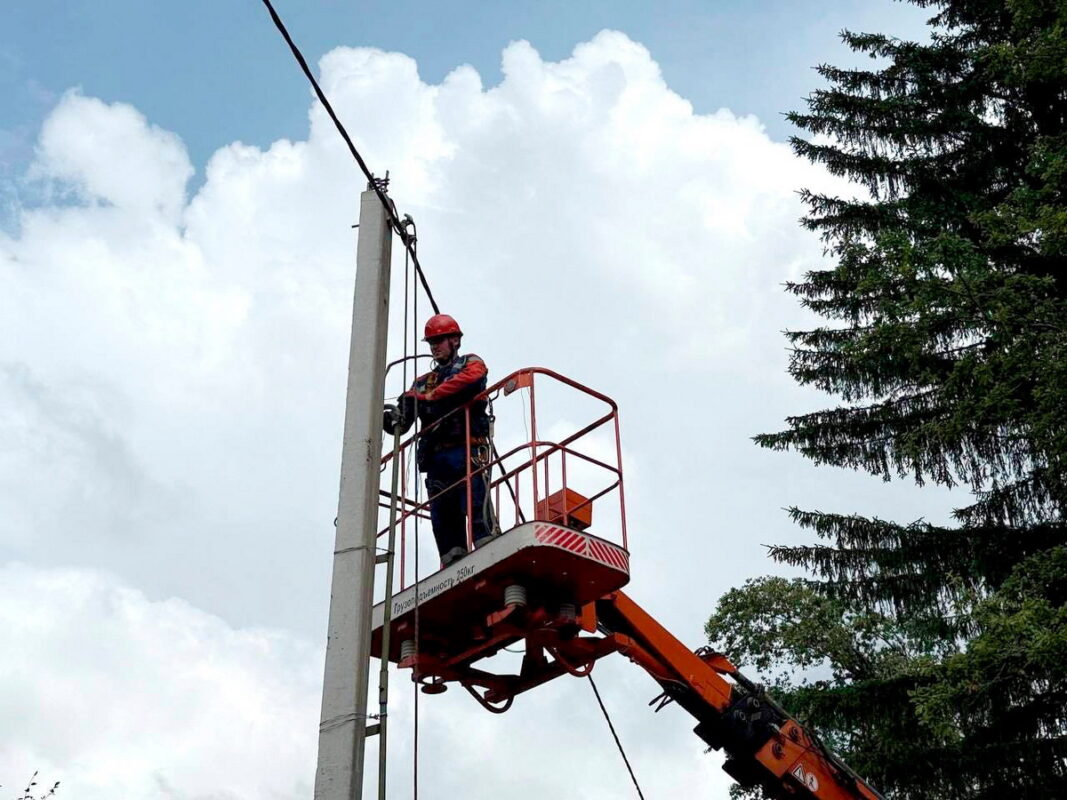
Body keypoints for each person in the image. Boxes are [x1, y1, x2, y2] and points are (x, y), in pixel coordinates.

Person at [383, 314, 497, 567]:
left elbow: (472, 380)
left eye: (439, 341)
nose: (434, 347)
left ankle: (490, 550)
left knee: (477, 504)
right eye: (432, 342)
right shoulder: (421, 383)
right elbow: (404, 421)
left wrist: (429, 398)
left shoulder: (470, 363)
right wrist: (391, 418)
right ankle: (453, 562)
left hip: (467, 450)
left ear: (454, 340)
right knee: (444, 515)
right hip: (437, 460)